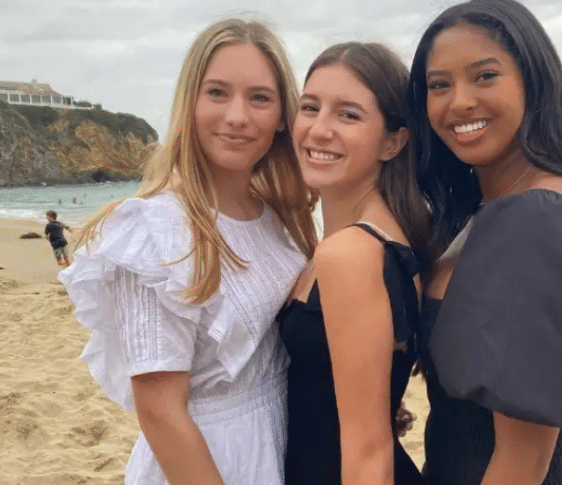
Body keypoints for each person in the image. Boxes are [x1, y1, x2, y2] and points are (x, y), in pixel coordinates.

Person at [59, 18, 317, 485]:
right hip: (213, 459)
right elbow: (161, 413)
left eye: (259, 97)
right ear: (189, 103)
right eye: (217, 92)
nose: (237, 117)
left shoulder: (279, 216)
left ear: (283, 115)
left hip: (282, 440)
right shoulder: (158, 231)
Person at [407, 1, 562, 484]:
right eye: (439, 85)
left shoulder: (537, 217)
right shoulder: (498, 205)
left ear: (533, 81)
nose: (459, 102)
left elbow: (522, 463)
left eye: (485, 76)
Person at [279, 42, 429, 485]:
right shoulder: (389, 237)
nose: (319, 129)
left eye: (348, 115)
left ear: (393, 142)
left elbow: (368, 451)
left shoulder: (351, 253)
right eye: (310, 107)